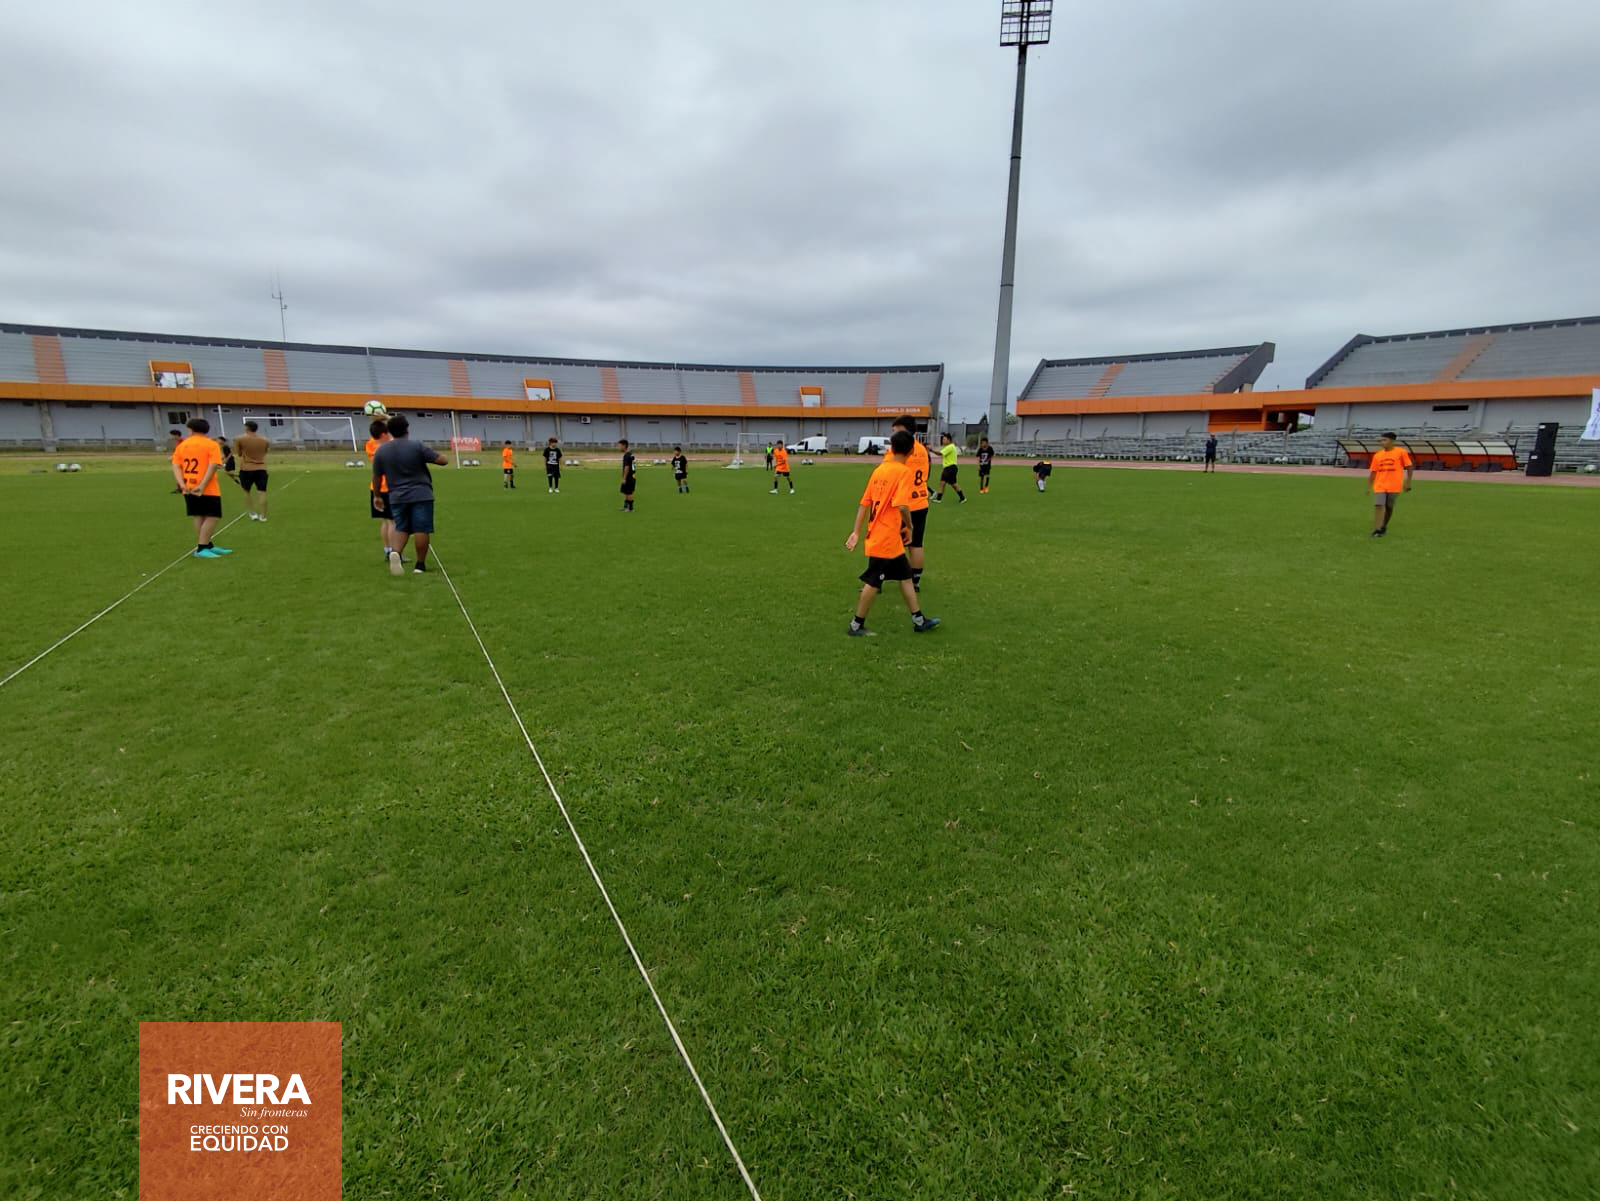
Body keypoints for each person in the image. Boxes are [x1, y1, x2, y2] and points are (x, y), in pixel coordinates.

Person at [845, 429, 940, 637]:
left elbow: (864, 504)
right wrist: (910, 526)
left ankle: (919, 620)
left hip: (886, 537)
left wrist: (856, 532)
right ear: (911, 451)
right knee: (873, 582)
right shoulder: (903, 472)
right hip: (886, 538)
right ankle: (856, 626)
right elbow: (902, 505)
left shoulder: (879, 470)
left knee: (905, 577)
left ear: (892, 449)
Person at [372, 414, 448, 575]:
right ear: (407, 429)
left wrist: (377, 496)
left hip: (397, 495)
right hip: (421, 493)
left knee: (401, 527)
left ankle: (396, 553)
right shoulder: (416, 446)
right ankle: (420, 565)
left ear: (389, 431)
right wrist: (441, 456)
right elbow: (442, 461)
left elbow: (377, 477)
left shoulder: (382, 451)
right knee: (422, 528)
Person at [171, 417, 233, 559]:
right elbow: (213, 465)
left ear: (191, 429)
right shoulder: (211, 444)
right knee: (213, 516)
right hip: (207, 488)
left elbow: (176, 465)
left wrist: (182, 484)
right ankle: (202, 547)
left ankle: (207, 545)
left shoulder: (183, 445)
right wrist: (203, 485)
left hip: (188, 486)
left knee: (200, 515)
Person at [889, 416, 932, 590]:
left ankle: (876, 580)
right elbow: (927, 475)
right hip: (920, 501)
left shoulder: (897, 449)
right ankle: (915, 581)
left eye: (896, 431)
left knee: (888, 541)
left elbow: (888, 473)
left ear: (905, 430)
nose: (893, 435)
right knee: (916, 544)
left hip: (902, 503)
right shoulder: (923, 450)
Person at [1368, 432, 1414, 538]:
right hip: (1380, 485)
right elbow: (1373, 471)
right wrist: (1369, 486)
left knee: (1389, 507)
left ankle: (1383, 526)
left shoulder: (1401, 452)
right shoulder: (1377, 455)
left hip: (1394, 485)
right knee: (1379, 505)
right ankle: (1377, 529)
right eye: (1381, 440)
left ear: (1392, 441)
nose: (1382, 442)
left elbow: (1409, 467)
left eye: (1385, 440)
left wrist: (1408, 482)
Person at [365, 417, 396, 562]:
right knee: (393, 522)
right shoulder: (388, 447)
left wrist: (376, 421)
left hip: (376, 488)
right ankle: (395, 553)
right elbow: (398, 432)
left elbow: (376, 431)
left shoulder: (370, 444)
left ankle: (388, 550)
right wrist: (387, 417)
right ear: (383, 434)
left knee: (385, 521)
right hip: (387, 487)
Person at [235, 420, 270, 521]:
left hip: (246, 468)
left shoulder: (240, 439)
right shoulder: (265, 440)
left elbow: (239, 453)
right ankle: (263, 516)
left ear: (247, 428)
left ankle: (252, 513)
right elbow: (265, 452)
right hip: (261, 468)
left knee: (247, 492)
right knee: (262, 492)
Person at [933, 432, 966, 503]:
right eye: (943, 439)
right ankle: (962, 498)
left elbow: (940, 453)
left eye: (944, 439)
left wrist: (931, 450)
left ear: (949, 440)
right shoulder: (951, 446)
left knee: (947, 483)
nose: (943, 441)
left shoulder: (950, 447)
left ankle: (939, 499)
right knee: (948, 483)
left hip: (950, 467)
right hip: (950, 468)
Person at [618, 438, 636, 512]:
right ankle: (626, 507)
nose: (619, 447)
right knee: (626, 491)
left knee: (629, 492)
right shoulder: (630, 454)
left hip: (629, 477)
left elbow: (627, 467)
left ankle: (630, 508)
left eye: (620, 446)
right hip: (632, 476)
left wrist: (624, 478)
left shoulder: (626, 455)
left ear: (624, 446)